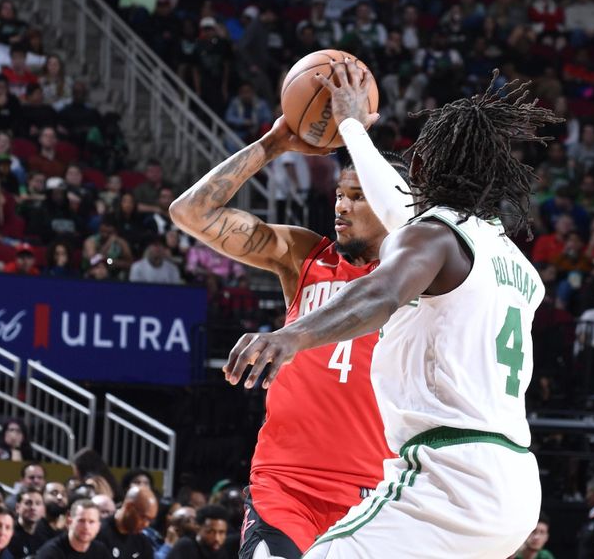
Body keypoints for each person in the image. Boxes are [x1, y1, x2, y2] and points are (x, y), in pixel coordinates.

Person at [222, 64, 560, 557]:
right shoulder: (512, 262)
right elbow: (398, 212)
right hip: (515, 487)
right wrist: (355, 129)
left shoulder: (434, 237)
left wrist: (289, 337)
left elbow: (381, 294)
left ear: (421, 173)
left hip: (450, 476)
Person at [170, 62, 410, 556]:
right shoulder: (305, 256)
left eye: (359, 197)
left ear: (391, 204)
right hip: (285, 484)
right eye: (339, 195)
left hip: (375, 494)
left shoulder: (418, 282)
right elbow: (190, 214)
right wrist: (274, 143)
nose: (340, 207)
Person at [95, 487, 156, 559]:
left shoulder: (143, 543)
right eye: (143, 517)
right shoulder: (99, 534)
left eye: (150, 520)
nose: (146, 524)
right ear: (129, 506)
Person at [34, 500, 107, 559]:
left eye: (91, 522)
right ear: (69, 522)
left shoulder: (101, 551)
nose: (86, 527)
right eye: (81, 521)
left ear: (98, 526)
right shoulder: (51, 552)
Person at [8, 488, 47, 559]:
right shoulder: (8, 535)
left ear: (43, 509)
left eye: (38, 503)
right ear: (17, 507)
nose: (33, 507)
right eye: (28, 503)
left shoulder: (45, 538)